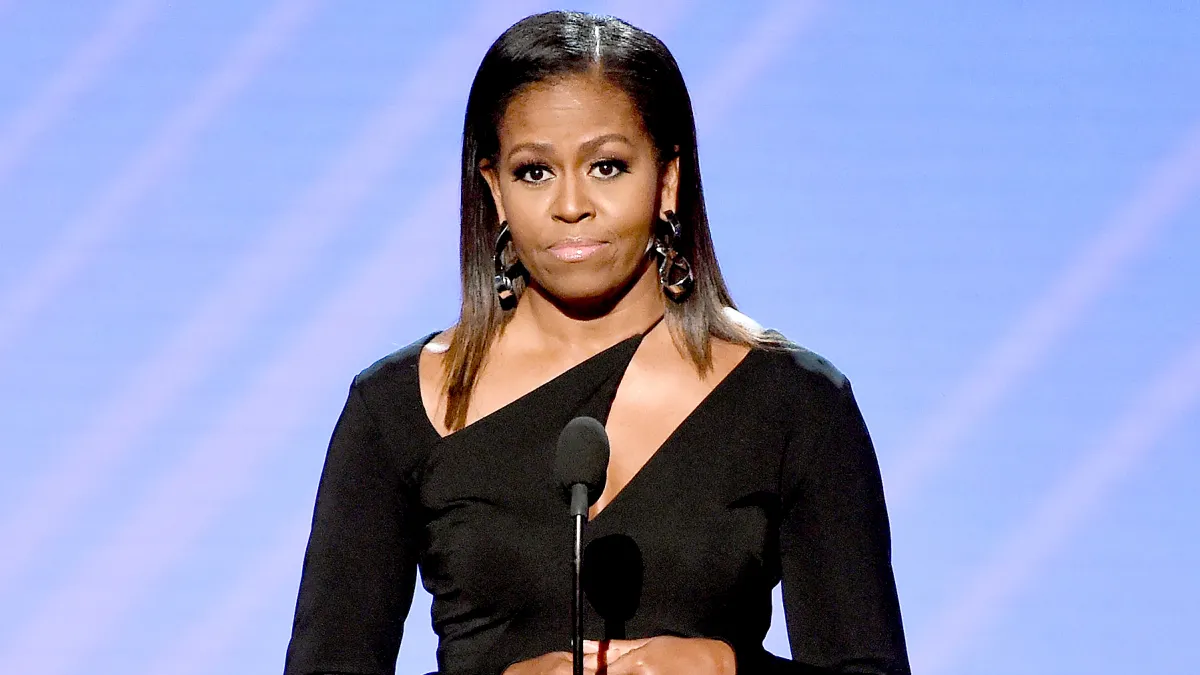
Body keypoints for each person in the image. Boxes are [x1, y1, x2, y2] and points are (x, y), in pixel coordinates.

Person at [283, 10, 909, 675]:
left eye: (607, 166)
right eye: (534, 172)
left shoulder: (796, 403)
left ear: (666, 179)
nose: (571, 204)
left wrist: (729, 667)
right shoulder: (398, 407)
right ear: (493, 189)